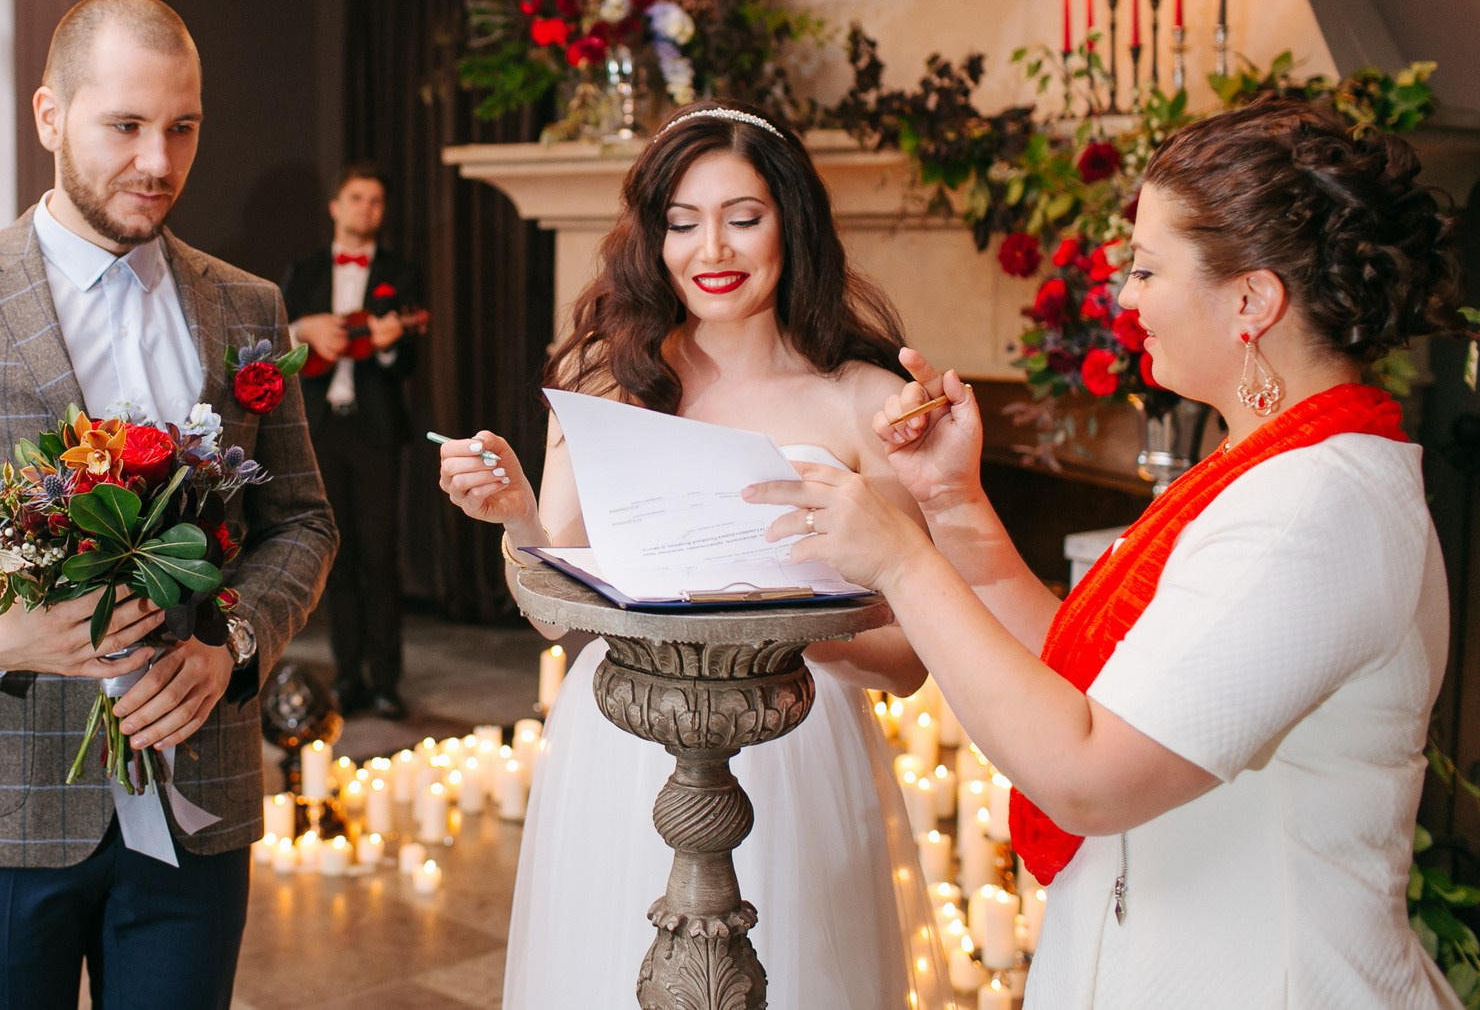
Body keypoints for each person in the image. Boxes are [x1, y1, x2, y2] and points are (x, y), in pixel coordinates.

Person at [756, 100, 1464, 1007]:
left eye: (1146, 268)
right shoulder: (1267, 471)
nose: (1126, 299)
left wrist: (904, 562)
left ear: (1251, 299)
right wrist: (950, 501)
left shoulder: (1315, 507)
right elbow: (1096, 686)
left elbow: (1091, 777)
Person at [0, 0, 337, 1010]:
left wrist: (231, 647)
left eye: (182, 126)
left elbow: (298, 521)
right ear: (49, 115)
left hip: (199, 793)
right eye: (125, 125)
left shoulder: (248, 307)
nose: (159, 160)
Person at [437, 102, 950, 1008]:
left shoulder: (864, 402)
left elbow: (908, 662)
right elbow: (556, 615)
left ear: (792, 224)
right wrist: (519, 521)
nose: (711, 248)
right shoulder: (608, 379)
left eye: (743, 218)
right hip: (621, 744)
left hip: (794, 745)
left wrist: (761, 620)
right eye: (682, 223)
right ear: (653, 237)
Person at [283, 162, 426, 719]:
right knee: (335, 558)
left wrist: (389, 344)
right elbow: (278, 338)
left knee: (380, 555)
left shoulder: (400, 274)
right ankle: (347, 678)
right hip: (319, 429)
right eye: (358, 198)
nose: (368, 209)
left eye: (376, 201)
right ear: (336, 206)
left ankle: (387, 681)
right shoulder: (304, 271)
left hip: (374, 429)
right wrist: (306, 329)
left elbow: (407, 362)